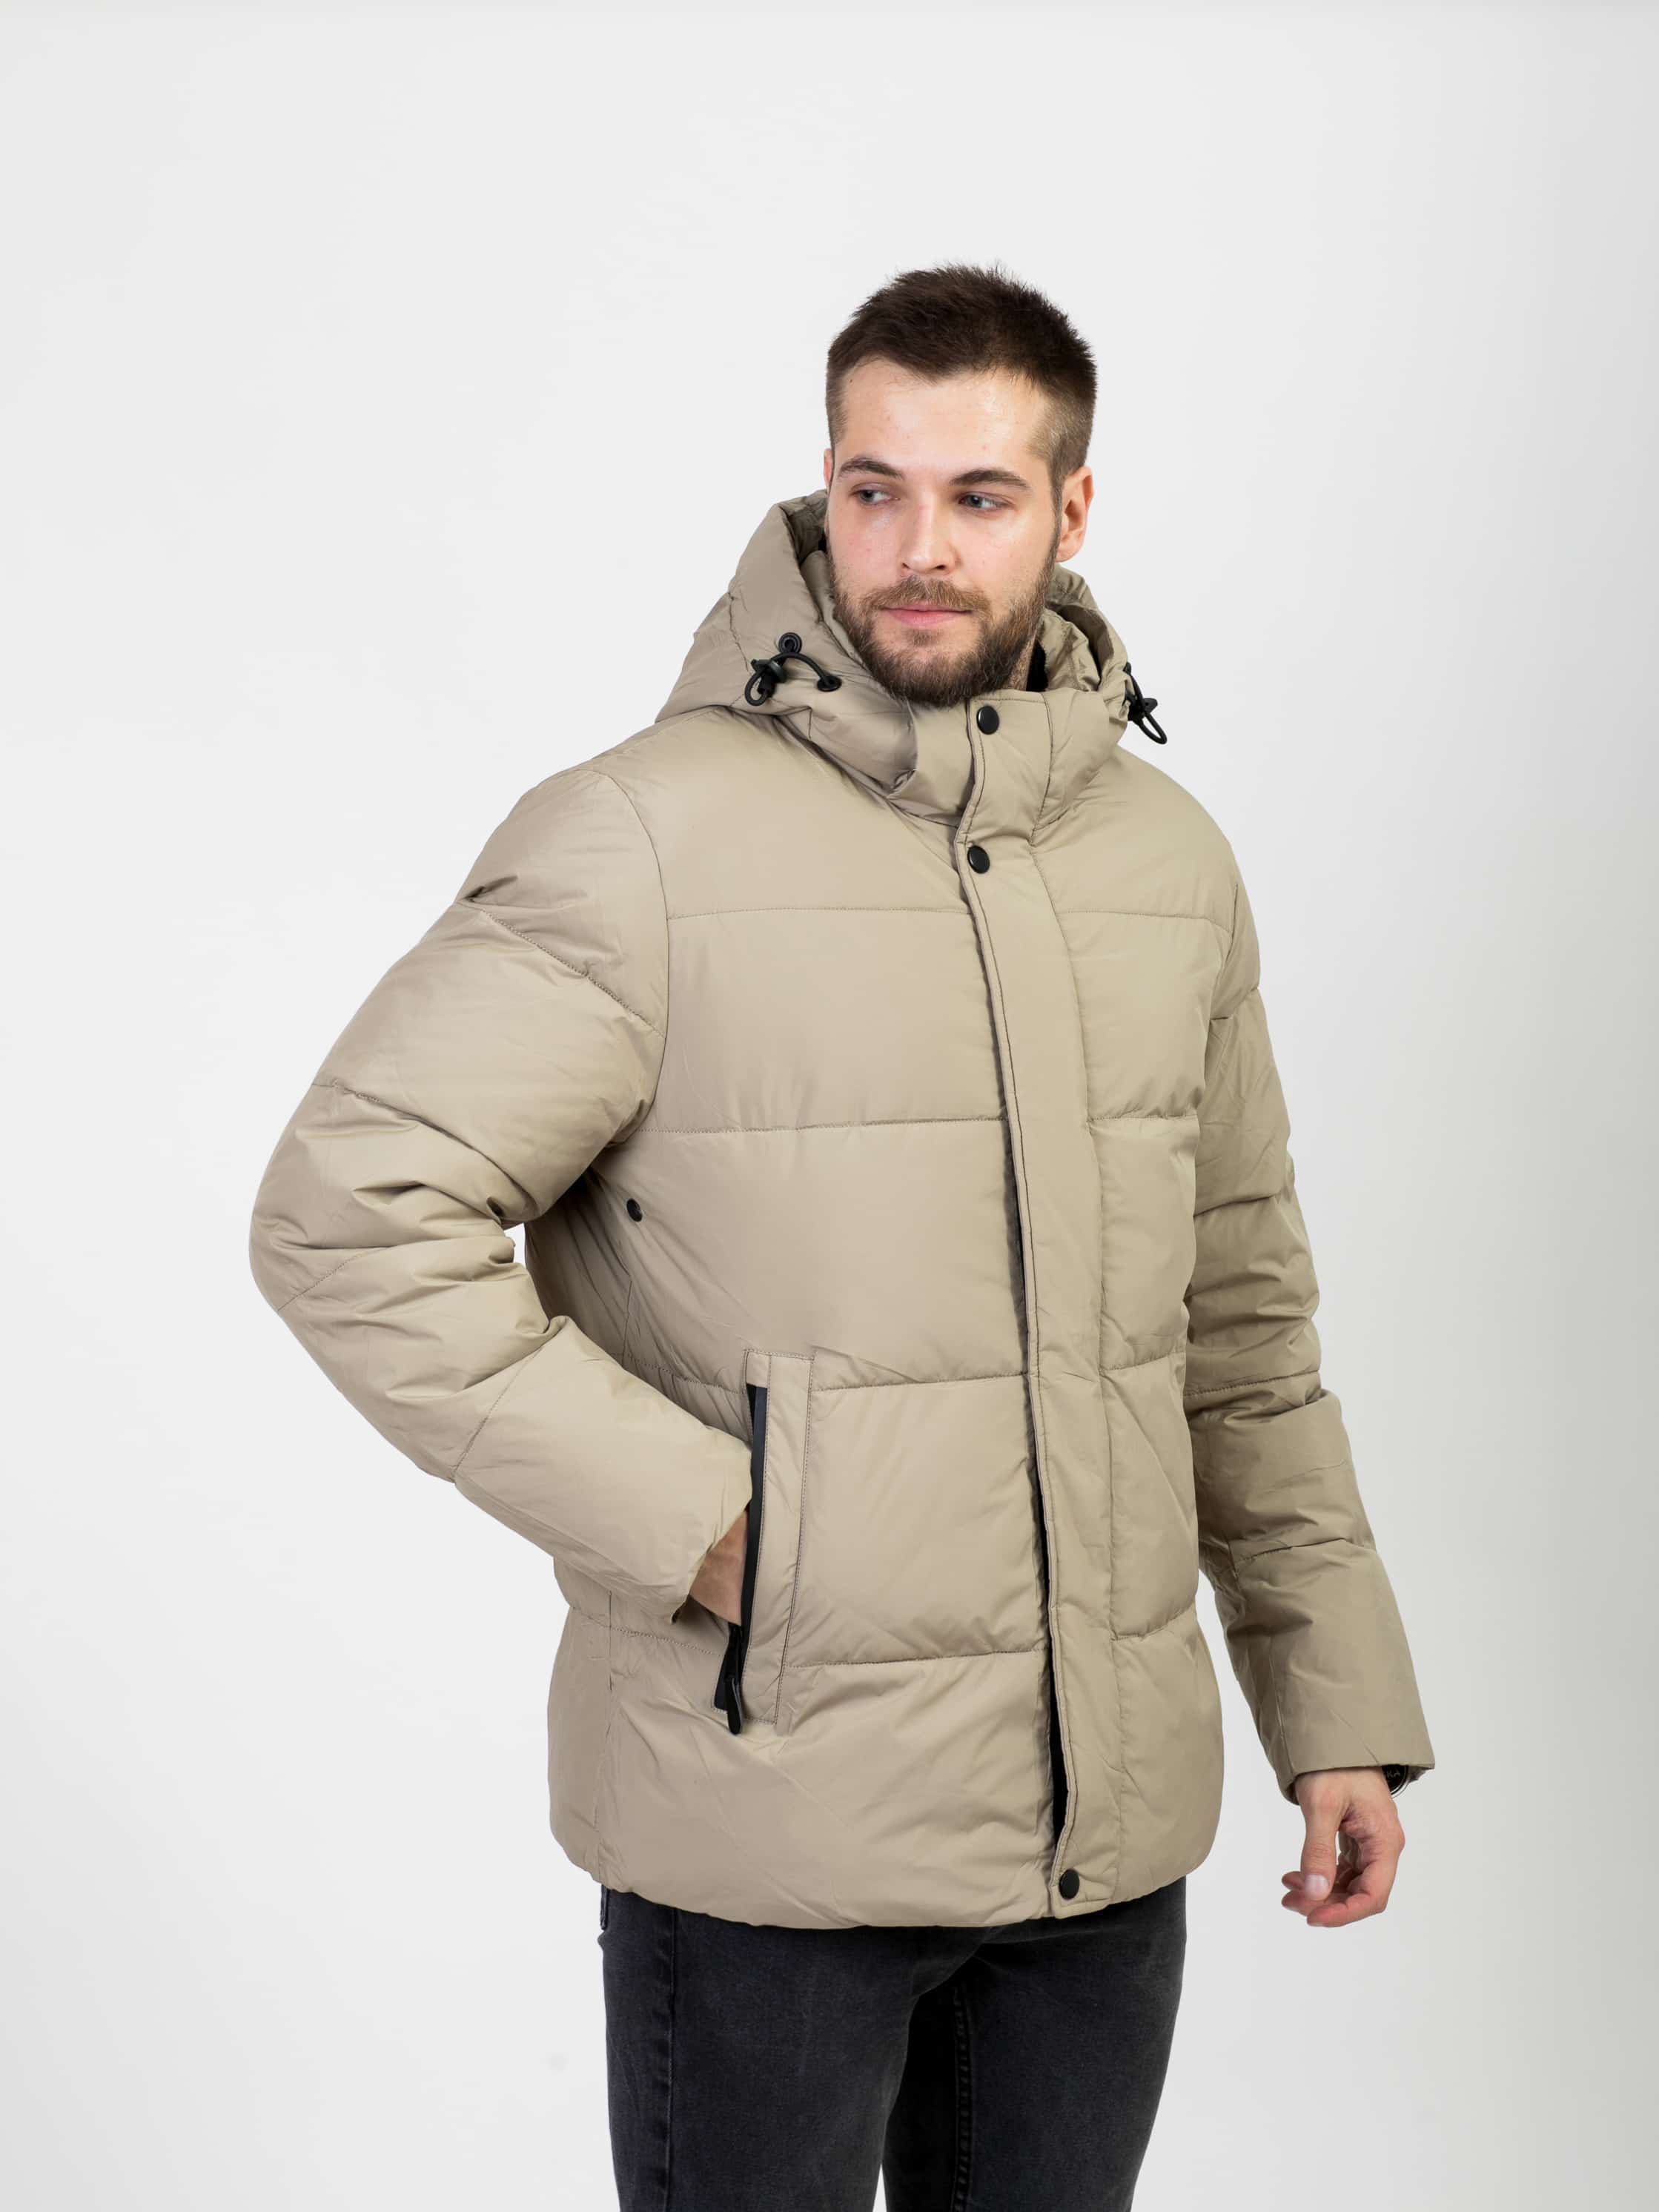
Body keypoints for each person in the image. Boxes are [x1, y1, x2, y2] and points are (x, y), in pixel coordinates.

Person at [248, 261, 1434, 2211]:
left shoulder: (1168, 865)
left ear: (1071, 508)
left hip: (1100, 1843)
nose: (918, 548)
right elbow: (351, 1213)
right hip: (765, 1830)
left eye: (980, 496)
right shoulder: (641, 839)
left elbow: (1239, 1328)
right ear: (823, 485)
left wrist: (1338, 1714)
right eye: (874, 490)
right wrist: (705, 1524)